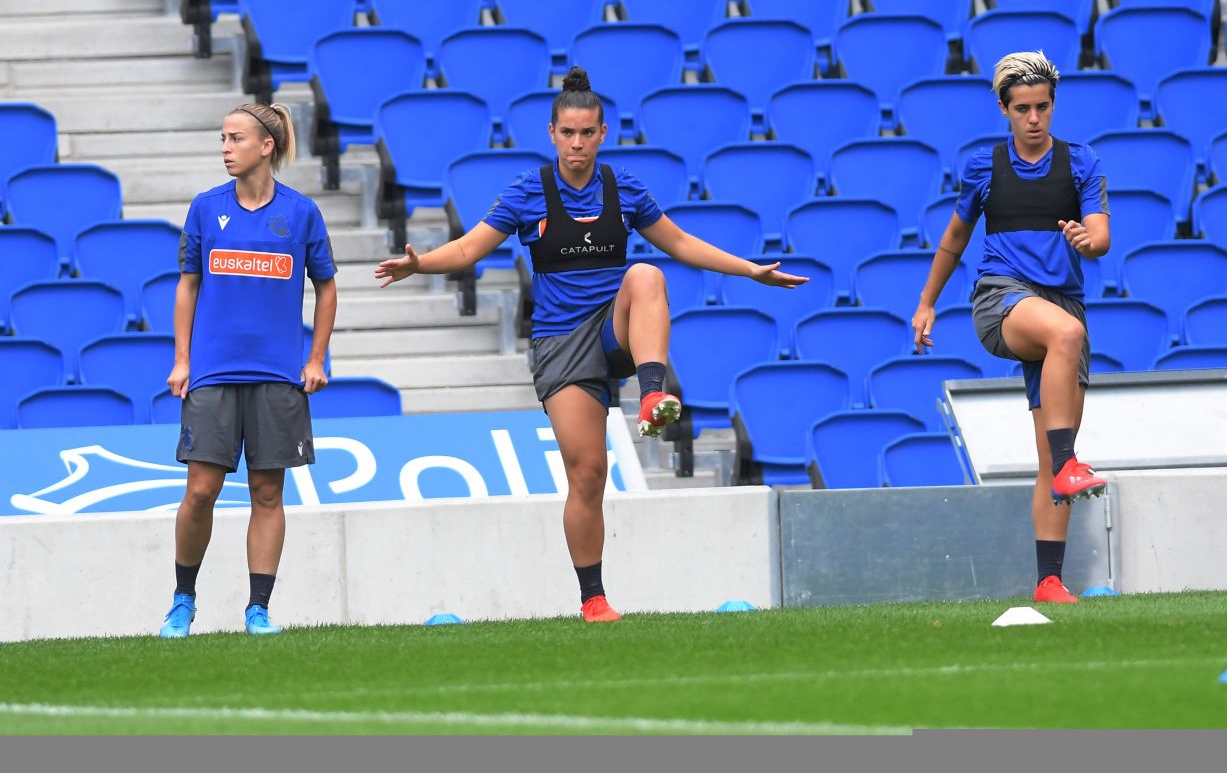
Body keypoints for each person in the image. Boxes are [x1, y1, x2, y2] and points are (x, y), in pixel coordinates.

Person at [375, 68, 806, 623]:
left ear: (603, 134)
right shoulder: (529, 191)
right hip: (561, 342)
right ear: (551, 133)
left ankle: (652, 396)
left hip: (615, 327)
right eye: (567, 133)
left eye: (587, 133)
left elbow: (677, 242)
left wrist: (750, 271)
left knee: (646, 275)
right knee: (587, 473)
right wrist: (419, 263)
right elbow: (467, 249)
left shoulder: (623, 188)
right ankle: (593, 597)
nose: (577, 143)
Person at [911, 50, 1109, 606]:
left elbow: (1100, 236)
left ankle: (1049, 580)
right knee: (1065, 338)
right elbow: (954, 239)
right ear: (1003, 108)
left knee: (1049, 459)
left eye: (1042, 107)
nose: (1034, 118)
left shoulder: (1082, 163)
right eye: (1022, 108)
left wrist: (1087, 242)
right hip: (1003, 300)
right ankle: (1071, 462)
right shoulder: (984, 167)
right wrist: (927, 303)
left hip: (1063, 300)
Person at [161, 103, 338, 637]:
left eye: (235, 138)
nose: (224, 147)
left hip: (278, 375)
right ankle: (183, 599)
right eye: (222, 138)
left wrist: (316, 359)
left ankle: (258, 609)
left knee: (267, 493)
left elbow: (326, 287)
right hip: (213, 374)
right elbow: (187, 284)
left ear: (266, 146)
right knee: (201, 491)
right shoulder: (204, 208)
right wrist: (182, 359)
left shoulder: (302, 213)